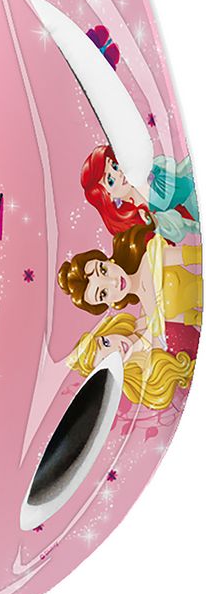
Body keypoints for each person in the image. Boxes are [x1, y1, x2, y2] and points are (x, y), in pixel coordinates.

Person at [58, 225, 202, 340]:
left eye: (103, 270)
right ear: (107, 304)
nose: (113, 282)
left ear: (108, 261)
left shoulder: (151, 259)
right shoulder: (151, 315)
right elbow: (195, 318)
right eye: (103, 293)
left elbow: (198, 254)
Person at [68, 312, 197, 411]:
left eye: (106, 343)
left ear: (105, 332)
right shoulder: (152, 377)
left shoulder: (146, 312)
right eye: (108, 359)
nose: (116, 350)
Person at [81, 144, 199, 243]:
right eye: (110, 180)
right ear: (108, 197)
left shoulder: (146, 173)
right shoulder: (137, 218)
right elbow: (181, 226)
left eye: (115, 166)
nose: (119, 173)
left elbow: (178, 171)